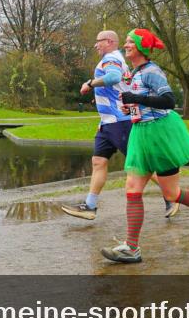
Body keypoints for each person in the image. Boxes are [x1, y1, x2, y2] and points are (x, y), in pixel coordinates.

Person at [101, 28, 189, 264]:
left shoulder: (152, 71)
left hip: (160, 134)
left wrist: (137, 99)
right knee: (132, 189)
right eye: (126, 42)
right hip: (141, 134)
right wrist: (130, 108)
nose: (126, 45)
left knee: (172, 193)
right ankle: (131, 248)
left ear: (141, 46)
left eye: (130, 42)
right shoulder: (134, 72)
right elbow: (140, 100)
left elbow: (169, 101)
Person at [61, 30, 175, 220]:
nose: (96, 45)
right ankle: (90, 206)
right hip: (108, 123)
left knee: (140, 164)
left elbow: (113, 77)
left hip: (120, 122)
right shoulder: (113, 58)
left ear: (109, 42)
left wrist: (90, 83)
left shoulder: (111, 59)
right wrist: (102, 120)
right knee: (98, 162)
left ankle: (171, 196)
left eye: (98, 41)